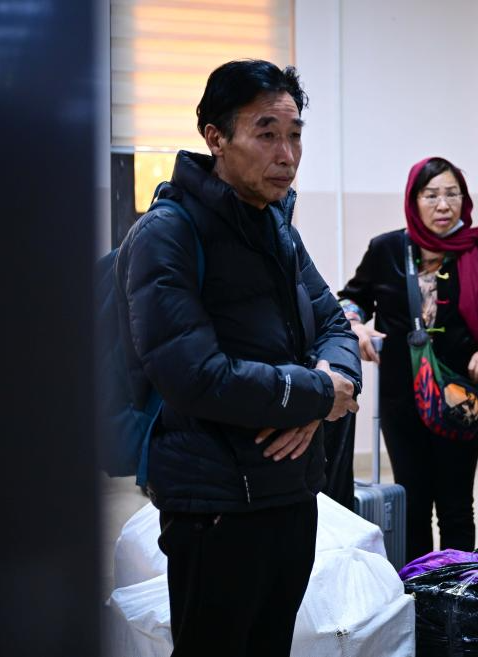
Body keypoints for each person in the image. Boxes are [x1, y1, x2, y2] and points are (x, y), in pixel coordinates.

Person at [116, 60, 362, 657]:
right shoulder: (168, 233)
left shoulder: (278, 229)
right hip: (215, 505)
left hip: (292, 492)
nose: (287, 154)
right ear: (216, 137)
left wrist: (325, 390)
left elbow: (335, 324)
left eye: (295, 134)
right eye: (266, 132)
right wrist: (316, 395)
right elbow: (194, 376)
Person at [338, 156, 478, 562]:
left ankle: (457, 587)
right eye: (431, 195)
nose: (443, 205)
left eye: (452, 194)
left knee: (455, 504)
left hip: (461, 395)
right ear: (413, 200)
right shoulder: (386, 249)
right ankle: (418, 587)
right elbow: (352, 298)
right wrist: (355, 326)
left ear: (465, 199)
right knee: (411, 501)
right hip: (400, 396)